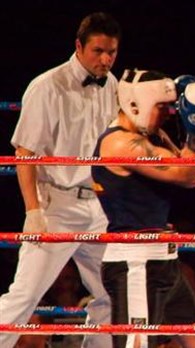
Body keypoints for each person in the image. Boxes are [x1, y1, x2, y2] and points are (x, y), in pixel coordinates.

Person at [1, 12, 121, 348]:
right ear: (79, 46)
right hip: (55, 206)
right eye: (98, 51)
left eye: (112, 51)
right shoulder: (46, 86)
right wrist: (32, 211)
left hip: (99, 206)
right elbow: (25, 152)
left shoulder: (111, 84)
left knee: (111, 293)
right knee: (23, 298)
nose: (106, 59)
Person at [92, 69, 195, 347]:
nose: (168, 114)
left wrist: (194, 129)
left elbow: (191, 175)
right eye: (162, 107)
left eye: (172, 107)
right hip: (136, 262)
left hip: (164, 261)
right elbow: (186, 174)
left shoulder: (153, 135)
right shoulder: (121, 143)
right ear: (137, 104)